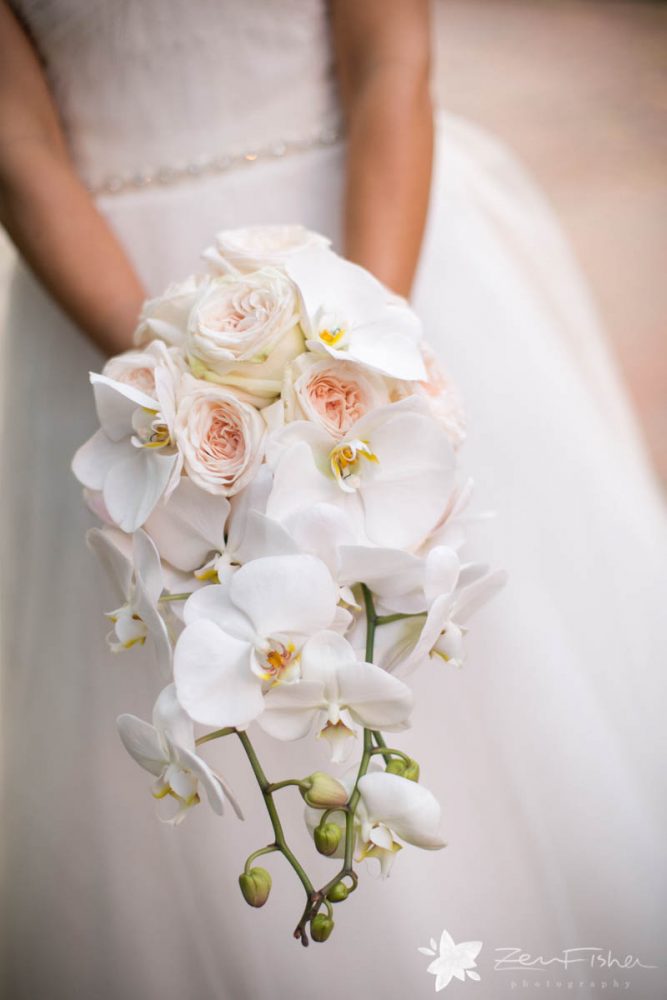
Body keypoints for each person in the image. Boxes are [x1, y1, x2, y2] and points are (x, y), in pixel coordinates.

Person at [1, 2, 665, 998]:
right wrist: (174, 389)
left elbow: (392, 62)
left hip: (367, 261)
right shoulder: (142, 372)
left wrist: (352, 378)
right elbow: (14, 143)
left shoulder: (366, 347)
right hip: (109, 332)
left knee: (437, 669)